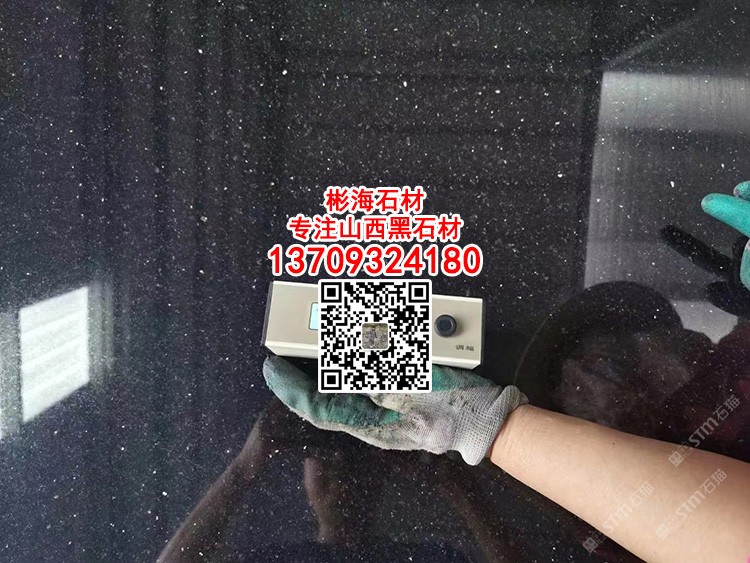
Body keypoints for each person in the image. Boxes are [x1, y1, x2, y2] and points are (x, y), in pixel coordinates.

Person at [262, 186, 750, 562]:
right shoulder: (620, 518)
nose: (650, 347)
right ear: (592, 422)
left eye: (620, 348)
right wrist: (488, 431)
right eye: (596, 373)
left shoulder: (732, 362)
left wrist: (490, 429)